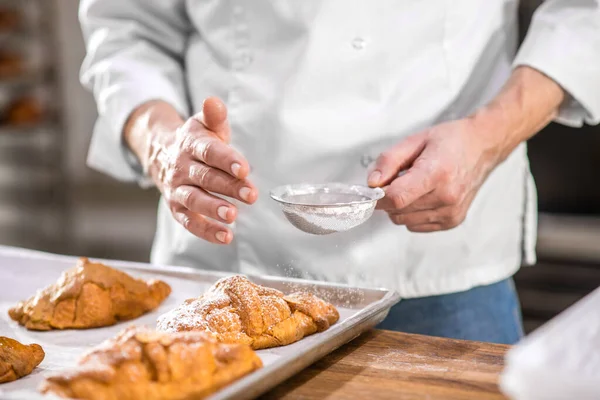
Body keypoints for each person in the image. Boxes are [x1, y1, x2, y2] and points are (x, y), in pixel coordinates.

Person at [79, 0, 600, 344]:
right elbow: (126, 27)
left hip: (445, 274)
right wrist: (163, 144)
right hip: (229, 266)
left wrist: (489, 138)